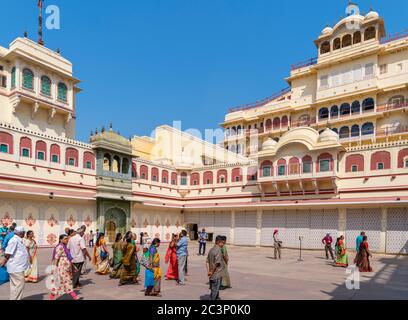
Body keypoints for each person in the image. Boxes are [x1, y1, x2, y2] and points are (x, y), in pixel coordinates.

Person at [0, 226, 30, 300]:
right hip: (16, 268)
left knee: (15, 286)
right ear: (21, 233)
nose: (24, 234)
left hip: (17, 267)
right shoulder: (14, 240)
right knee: (18, 286)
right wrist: (3, 262)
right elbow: (8, 253)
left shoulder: (18, 240)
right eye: (24, 232)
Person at [49, 234, 81, 300]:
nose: (67, 240)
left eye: (67, 238)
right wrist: (54, 268)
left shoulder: (65, 247)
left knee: (65, 282)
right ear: (61, 240)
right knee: (65, 282)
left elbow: (69, 259)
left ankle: (51, 298)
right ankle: (75, 297)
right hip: (62, 269)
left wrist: (74, 267)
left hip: (66, 268)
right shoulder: (60, 247)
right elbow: (56, 258)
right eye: (65, 239)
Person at [206, 235, 226, 301]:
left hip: (212, 274)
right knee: (214, 291)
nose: (223, 244)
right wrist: (211, 272)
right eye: (222, 243)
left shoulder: (211, 250)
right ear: (218, 242)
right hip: (216, 274)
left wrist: (208, 271)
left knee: (214, 290)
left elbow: (207, 262)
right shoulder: (218, 250)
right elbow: (217, 263)